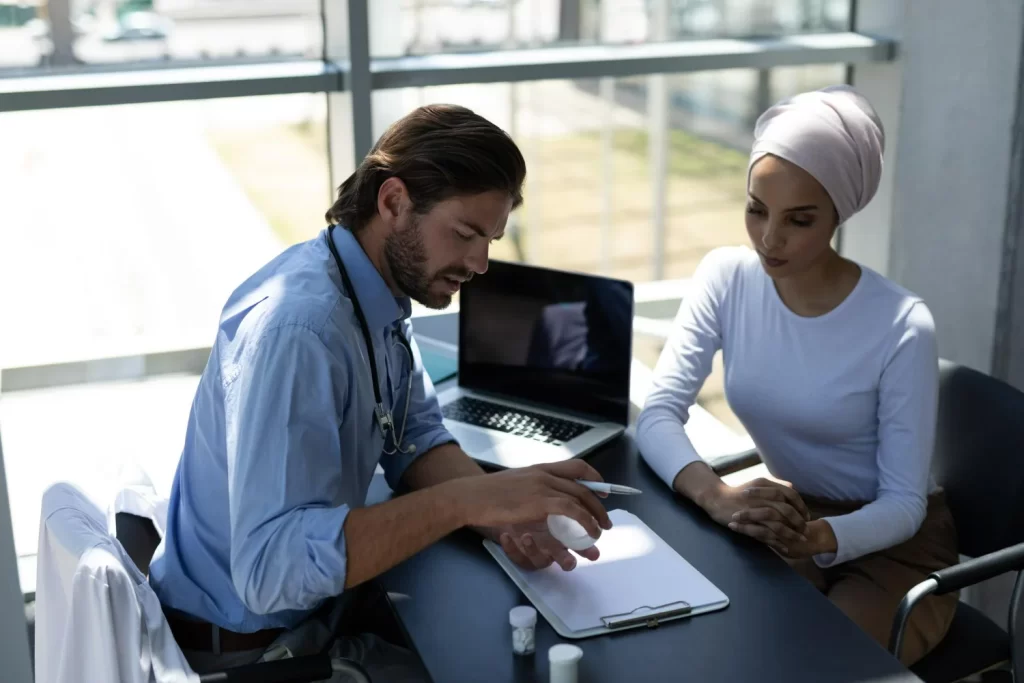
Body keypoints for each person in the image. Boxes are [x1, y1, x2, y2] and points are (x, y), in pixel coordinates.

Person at [149, 104, 613, 680]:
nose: (480, 263)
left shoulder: (372, 295)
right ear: (393, 202)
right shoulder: (302, 331)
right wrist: (471, 501)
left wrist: (507, 514)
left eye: (490, 239)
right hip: (256, 649)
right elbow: (271, 570)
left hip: (313, 611)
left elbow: (412, 435)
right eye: (465, 234)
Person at [635, 85, 957, 665]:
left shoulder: (902, 324)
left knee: (807, 662)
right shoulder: (727, 278)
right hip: (789, 518)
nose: (768, 238)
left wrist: (815, 538)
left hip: (896, 548)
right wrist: (719, 497)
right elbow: (657, 415)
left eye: (799, 220)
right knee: (710, 639)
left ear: (840, 213)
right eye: (756, 208)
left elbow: (905, 503)